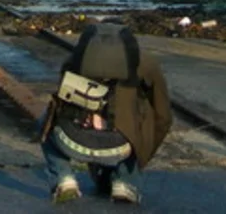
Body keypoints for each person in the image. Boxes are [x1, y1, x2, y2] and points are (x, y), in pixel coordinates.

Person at [37, 21, 172, 205]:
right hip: (121, 147)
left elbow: (60, 103)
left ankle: (64, 178)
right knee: (146, 115)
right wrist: (142, 155)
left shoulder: (75, 59)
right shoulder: (145, 63)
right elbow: (163, 117)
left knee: (44, 121)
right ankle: (126, 182)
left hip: (71, 141)